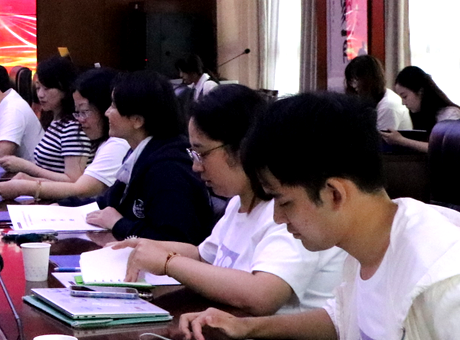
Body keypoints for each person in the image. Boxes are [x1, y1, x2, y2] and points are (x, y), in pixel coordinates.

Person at [175, 93, 460, 340]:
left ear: (334, 193)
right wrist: (247, 329)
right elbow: (344, 320)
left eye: (284, 202)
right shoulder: (364, 243)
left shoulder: (439, 276)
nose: (280, 220)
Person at [109, 85, 344, 317]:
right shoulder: (239, 202)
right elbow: (204, 256)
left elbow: (262, 295)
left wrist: (168, 262)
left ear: (241, 149)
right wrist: (149, 247)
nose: (196, 166)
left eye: (202, 153)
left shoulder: (289, 211)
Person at [86, 70, 214, 243]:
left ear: (137, 120)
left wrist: (119, 224)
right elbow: (109, 202)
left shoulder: (169, 169)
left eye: (114, 106)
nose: (107, 112)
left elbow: (174, 239)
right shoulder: (141, 152)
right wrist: (62, 207)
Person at [0, 67, 129, 201]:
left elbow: (79, 189)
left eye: (84, 111)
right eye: (38, 88)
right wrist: (30, 180)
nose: (79, 120)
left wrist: (25, 186)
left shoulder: (117, 145)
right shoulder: (102, 141)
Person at [0, 55, 90, 178]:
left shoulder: (73, 127)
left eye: (47, 88)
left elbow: (73, 180)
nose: (40, 94)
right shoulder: (55, 121)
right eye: (38, 88)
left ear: (64, 88)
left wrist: (26, 167)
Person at [379, 66, 460, 153]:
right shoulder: (421, 115)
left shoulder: (450, 114)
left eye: (405, 96)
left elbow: (449, 149)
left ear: (421, 92)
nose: (403, 103)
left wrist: (402, 140)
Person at [344, 54, 412, 132]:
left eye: (356, 80)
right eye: (351, 81)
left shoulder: (388, 105)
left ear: (369, 80)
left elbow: (380, 138)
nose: (353, 86)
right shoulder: (376, 99)